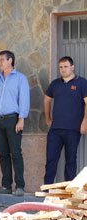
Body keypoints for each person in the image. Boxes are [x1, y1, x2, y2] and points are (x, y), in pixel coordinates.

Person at [0, 50, 30, 196]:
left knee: (16, 153)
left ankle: (19, 186)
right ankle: (6, 186)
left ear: (10, 60)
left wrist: (21, 119)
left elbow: (24, 99)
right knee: (3, 155)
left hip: (13, 120)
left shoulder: (20, 78)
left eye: (1, 60)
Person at [43, 56, 87, 184]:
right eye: (61, 67)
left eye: (66, 66)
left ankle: (69, 192)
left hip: (73, 129)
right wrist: (47, 118)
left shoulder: (82, 83)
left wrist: (85, 122)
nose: (63, 69)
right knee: (51, 160)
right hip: (55, 130)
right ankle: (47, 190)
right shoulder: (55, 84)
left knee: (71, 161)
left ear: (72, 67)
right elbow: (46, 99)